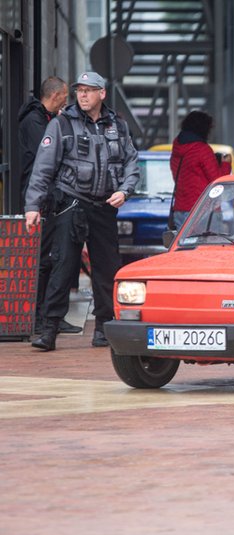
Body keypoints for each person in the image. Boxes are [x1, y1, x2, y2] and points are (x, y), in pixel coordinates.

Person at [24, 71, 139, 351]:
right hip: (70, 204)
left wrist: (124, 191)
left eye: (89, 90)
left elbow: (131, 164)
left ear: (102, 94)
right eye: (79, 90)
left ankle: (103, 328)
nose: (83, 95)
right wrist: (32, 206)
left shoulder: (118, 126)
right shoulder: (62, 123)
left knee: (106, 269)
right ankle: (49, 330)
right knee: (62, 266)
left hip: (104, 207)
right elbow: (43, 168)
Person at [17, 76, 82, 336]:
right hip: (43, 198)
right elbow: (48, 160)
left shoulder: (45, 119)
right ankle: (39, 316)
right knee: (45, 258)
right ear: (55, 96)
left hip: (52, 197)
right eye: (65, 97)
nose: (66, 102)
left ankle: (50, 314)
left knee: (57, 256)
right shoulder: (35, 122)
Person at [169, 110, 232, 229]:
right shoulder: (202, 150)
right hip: (203, 211)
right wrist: (226, 163)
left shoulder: (177, 149)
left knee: (185, 248)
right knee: (208, 246)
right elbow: (218, 180)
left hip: (180, 210)